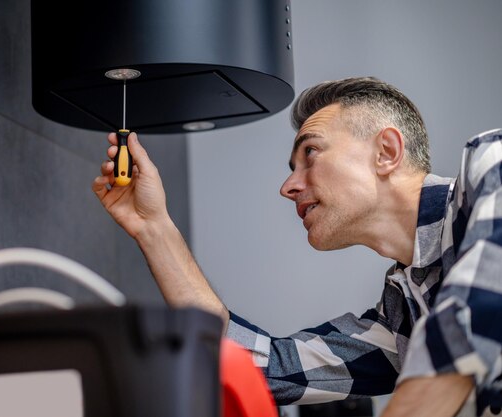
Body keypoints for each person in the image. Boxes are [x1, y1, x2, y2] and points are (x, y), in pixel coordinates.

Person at [92, 77, 502, 417]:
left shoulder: (492, 164)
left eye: (310, 152)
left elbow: (480, 307)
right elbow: (264, 368)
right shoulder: (402, 314)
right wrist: (154, 227)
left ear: (387, 152)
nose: (288, 187)